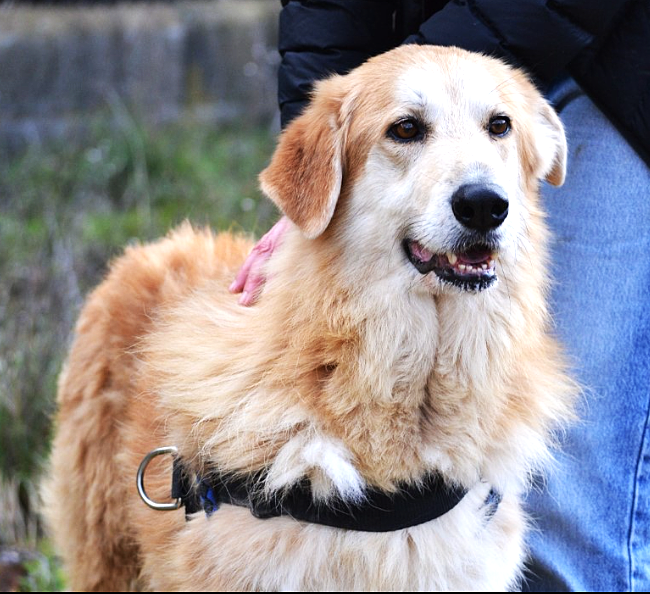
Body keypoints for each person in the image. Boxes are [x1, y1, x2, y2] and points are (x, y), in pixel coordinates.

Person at [230, 1, 650, 590]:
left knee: (570, 506)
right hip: (424, 44)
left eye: (497, 129)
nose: (480, 195)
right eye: (409, 131)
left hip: (620, 64)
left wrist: (413, 77)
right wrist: (329, 143)